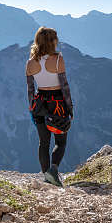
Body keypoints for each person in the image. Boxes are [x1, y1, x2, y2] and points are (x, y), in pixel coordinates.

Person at [26, 27, 74, 187]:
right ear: (52, 41)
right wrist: (70, 108)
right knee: (60, 142)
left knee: (43, 142)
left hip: (40, 103)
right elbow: (64, 86)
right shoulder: (59, 59)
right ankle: (53, 170)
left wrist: (32, 107)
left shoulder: (30, 63)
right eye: (55, 38)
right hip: (58, 102)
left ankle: (47, 175)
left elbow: (30, 89)